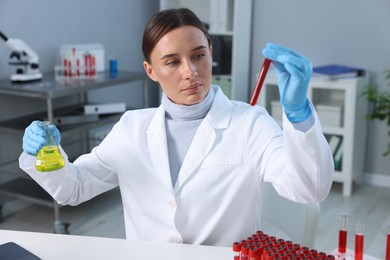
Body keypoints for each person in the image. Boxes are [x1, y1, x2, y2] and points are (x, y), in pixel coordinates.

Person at [19, 8, 333, 247]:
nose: (190, 72)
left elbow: (309, 188)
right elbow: (72, 188)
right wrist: (46, 153)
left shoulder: (250, 123)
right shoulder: (131, 128)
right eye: (172, 62)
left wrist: (299, 114)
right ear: (150, 70)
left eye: (199, 55)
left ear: (211, 52)